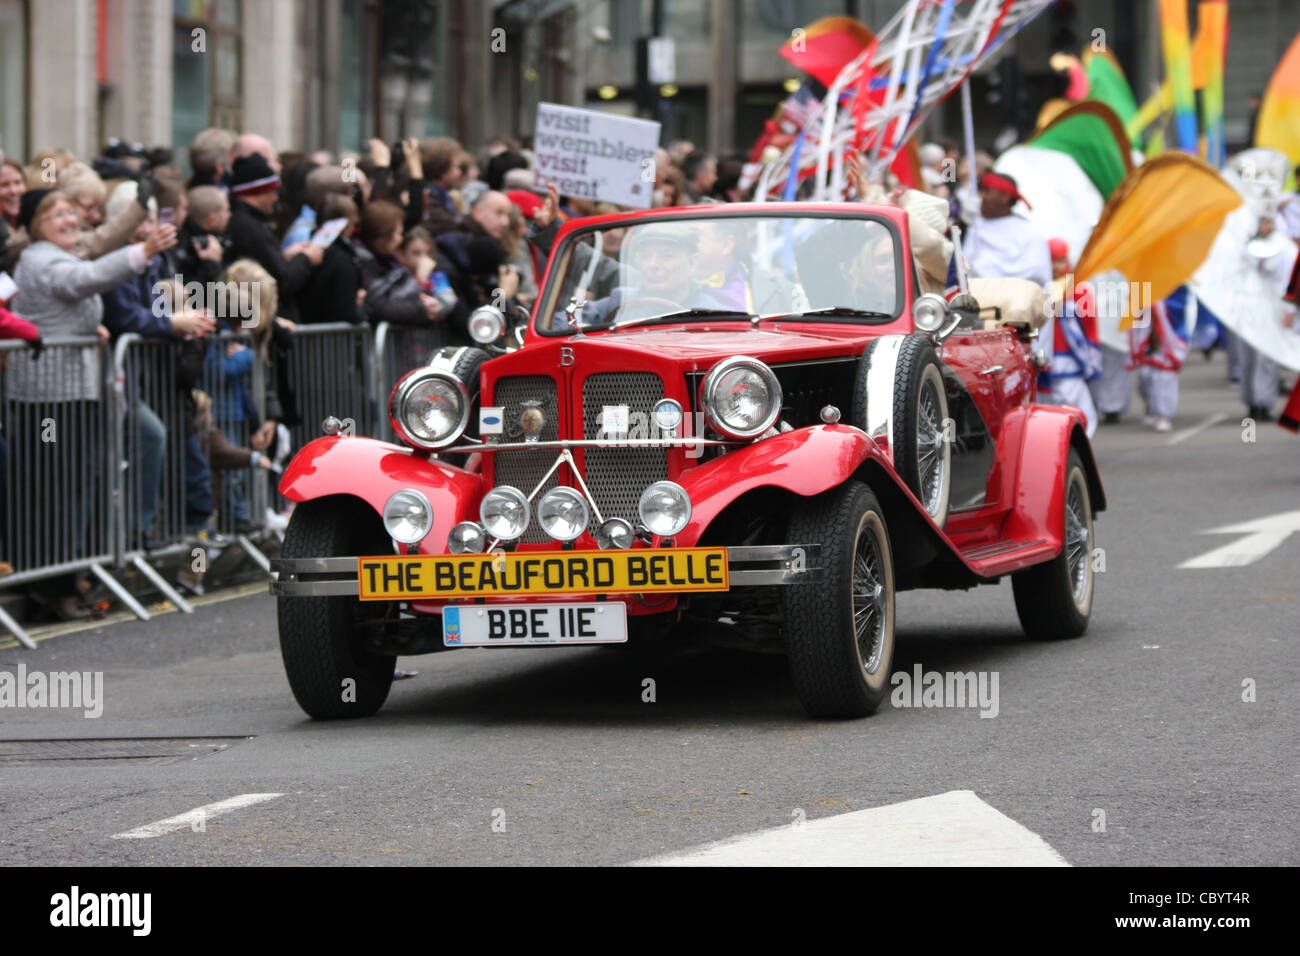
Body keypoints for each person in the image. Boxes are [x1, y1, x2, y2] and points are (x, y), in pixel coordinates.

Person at [7, 189, 176, 617]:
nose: (67, 220)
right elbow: (83, 282)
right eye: (54, 215)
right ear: (33, 226)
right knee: (54, 492)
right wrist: (141, 252)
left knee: (74, 485)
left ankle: (68, 580)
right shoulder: (40, 259)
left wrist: (91, 327)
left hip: (70, 393)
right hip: (47, 399)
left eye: (69, 212)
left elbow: (74, 296)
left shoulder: (60, 254)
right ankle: (53, 589)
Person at [223, 153, 322, 321]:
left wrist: (286, 256)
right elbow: (282, 280)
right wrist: (305, 258)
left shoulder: (252, 223)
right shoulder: (249, 228)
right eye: (272, 192)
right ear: (257, 193)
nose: (275, 199)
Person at [1043, 238, 1101, 436]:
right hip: (1045, 362)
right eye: (1049, 261)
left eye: (1059, 261)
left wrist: (1066, 305)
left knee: (1080, 411)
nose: (1054, 267)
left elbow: (1090, 322)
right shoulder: (1038, 288)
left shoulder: (1079, 289)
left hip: (1070, 359)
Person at [962, 171, 1052, 287]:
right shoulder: (973, 226)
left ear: (1005, 197)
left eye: (986, 191)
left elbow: (1037, 273)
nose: (981, 196)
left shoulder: (1030, 233)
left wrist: (984, 269)